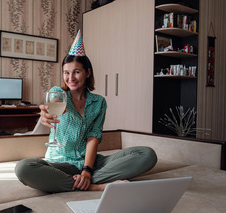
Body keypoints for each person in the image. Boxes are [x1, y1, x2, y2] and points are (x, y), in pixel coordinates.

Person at [15, 30, 157, 193]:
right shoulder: (59, 94)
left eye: (76, 72)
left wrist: (87, 171)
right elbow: (52, 105)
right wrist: (46, 113)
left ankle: (77, 181)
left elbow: (93, 138)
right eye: (66, 73)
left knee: (146, 154)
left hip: (91, 163)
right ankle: (94, 186)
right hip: (60, 164)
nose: (70, 78)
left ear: (87, 72)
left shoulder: (99, 103)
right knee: (23, 168)